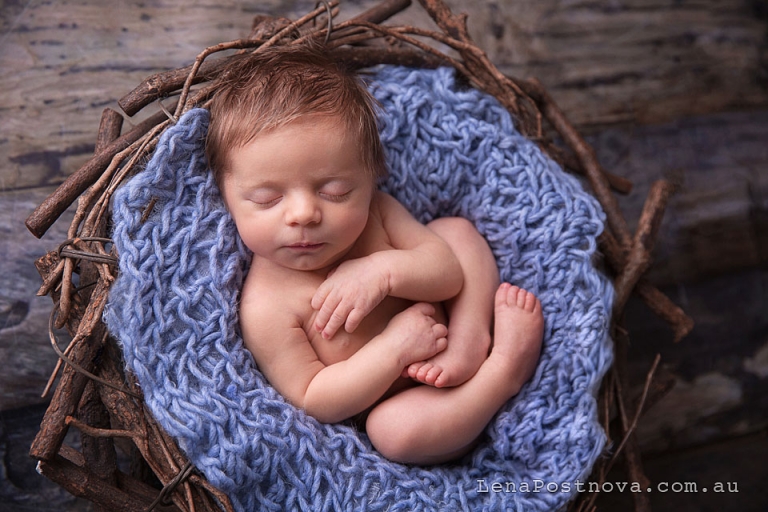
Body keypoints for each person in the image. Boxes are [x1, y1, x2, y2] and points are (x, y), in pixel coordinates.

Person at [205, 42, 544, 465]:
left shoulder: (378, 215)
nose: (305, 214)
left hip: (449, 328)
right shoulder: (264, 306)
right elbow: (316, 397)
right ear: (226, 198)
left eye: (335, 192)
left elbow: (447, 274)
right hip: (425, 410)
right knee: (392, 432)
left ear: (371, 178)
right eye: (268, 199)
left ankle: (471, 334)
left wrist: (383, 271)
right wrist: (393, 349)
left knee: (453, 232)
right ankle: (503, 372)